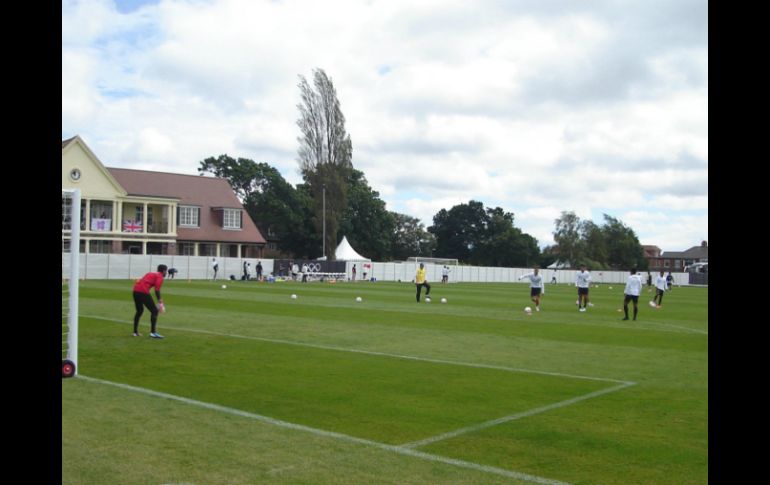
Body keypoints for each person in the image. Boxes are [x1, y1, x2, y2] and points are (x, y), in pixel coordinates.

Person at [133, 264, 167, 338]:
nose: (166, 273)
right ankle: (153, 333)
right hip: (143, 291)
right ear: (164, 271)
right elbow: (157, 289)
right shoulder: (160, 276)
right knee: (154, 311)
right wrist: (160, 300)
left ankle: (135, 332)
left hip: (135, 290)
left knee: (139, 311)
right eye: (166, 271)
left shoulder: (150, 273)